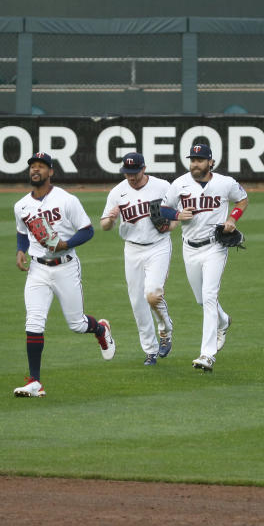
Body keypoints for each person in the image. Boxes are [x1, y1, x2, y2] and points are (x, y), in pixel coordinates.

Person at [13, 151, 115, 397]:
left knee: (77, 324)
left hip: (66, 267)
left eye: (41, 166)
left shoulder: (66, 200)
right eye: (32, 166)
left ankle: (100, 329)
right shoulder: (21, 205)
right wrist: (20, 250)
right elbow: (22, 231)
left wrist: (65, 243)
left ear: (51, 172)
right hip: (37, 270)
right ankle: (35, 381)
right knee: (34, 322)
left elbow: (88, 231)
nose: (35, 170)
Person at [160, 144, 248, 372]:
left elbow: (242, 199)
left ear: (210, 162)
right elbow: (163, 209)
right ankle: (224, 320)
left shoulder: (224, 182)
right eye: (192, 160)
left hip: (215, 247)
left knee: (209, 296)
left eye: (199, 160)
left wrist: (233, 219)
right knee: (201, 299)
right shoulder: (179, 184)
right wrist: (178, 214)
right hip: (189, 248)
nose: (195, 164)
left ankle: (207, 355)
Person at [100, 152, 175, 366]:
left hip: (158, 246)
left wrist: (170, 226)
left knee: (153, 294)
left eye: (134, 172)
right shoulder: (117, 192)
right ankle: (150, 351)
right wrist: (111, 219)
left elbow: (176, 214)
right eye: (127, 173)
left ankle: (165, 329)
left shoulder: (162, 186)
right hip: (132, 249)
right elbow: (104, 225)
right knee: (137, 302)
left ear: (144, 168)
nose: (131, 177)